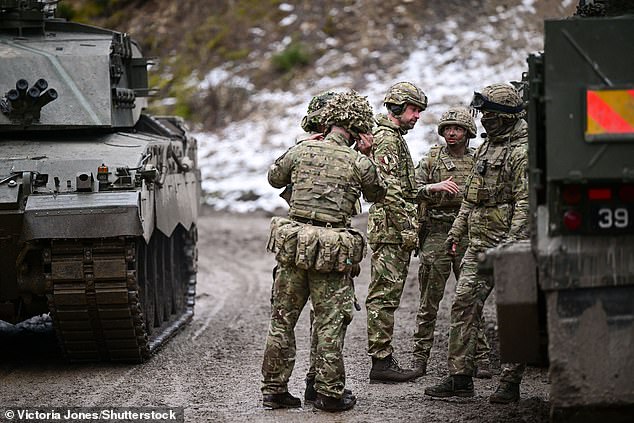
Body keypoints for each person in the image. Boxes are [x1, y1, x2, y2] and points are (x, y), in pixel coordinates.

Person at [261, 90, 386, 412]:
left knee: (282, 320)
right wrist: (369, 155)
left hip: (294, 247)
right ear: (359, 128)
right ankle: (328, 393)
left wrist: (300, 146)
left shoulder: (303, 150)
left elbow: (275, 178)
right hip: (331, 253)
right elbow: (377, 193)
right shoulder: (358, 161)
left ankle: (274, 391)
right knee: (330, 322)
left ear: (328, 121)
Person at [424, 83, 529, 401]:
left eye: (489, 114)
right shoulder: (487, 147)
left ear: (505, 116)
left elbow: (525, 200)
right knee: (463, 304)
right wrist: (457, 231)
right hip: (478, 242)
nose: (484, 120)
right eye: (481, 114)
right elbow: (470, 197)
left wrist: (514, 240)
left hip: (509, 244)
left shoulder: (522, 150)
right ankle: (460, 379)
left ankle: (510, 384)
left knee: (513, 311)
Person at [412, 107, 491, 378]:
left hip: (468, 234)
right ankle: (419, 358)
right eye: (447, 129)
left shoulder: (478, 159)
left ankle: (479, 358)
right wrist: (433, 188)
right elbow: (412, 189)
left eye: (457, 129)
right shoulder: (433, 159)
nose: (451, 133)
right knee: (428, 301)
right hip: (436, 233)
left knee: (470, 299)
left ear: (468, 132)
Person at [366, 81, 427, 383]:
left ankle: (383, 359)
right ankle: (381, 362)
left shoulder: (394, 137)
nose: (417, 116)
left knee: (387, 295)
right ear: (399, 107)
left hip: (392, 228)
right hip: (390, 230)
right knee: (384, 296)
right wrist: (407, 229)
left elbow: (406, 188)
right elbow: (390, 192)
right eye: (414, 109)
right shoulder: (387, 139)